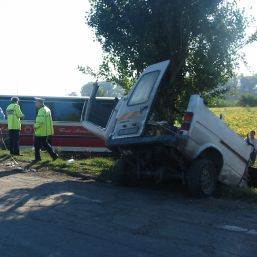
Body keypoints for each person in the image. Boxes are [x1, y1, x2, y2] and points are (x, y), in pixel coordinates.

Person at [33, 97, 58, 162]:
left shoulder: (41, 110)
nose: (35, 104)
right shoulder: (47, 109)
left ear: (40, 103)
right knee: (45, 144)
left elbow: (40, 121)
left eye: (36, 103)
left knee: (36, 145)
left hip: (40, 131)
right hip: (45, 131)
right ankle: (54, 155)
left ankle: (37, 158)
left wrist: (35, 126)